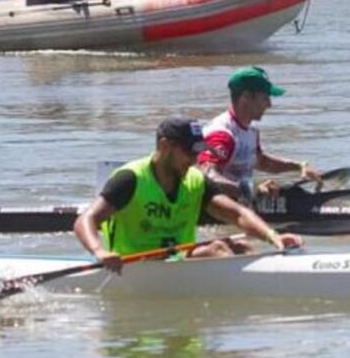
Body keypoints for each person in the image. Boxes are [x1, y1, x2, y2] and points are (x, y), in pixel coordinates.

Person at [74, 117, 301, 273]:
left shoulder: (194, 180)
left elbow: (238, 214)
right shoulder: (130, 179)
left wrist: (273, 237)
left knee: (242, 245)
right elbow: (86, 220)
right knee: (218, 250)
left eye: (198, 153)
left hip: (177, 262)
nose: (194, 160)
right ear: (165, 146)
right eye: (189, 153)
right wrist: (99, 251)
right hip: (134, 267)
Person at [197, 66, 323, 202]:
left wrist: (299, 166)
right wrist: (252, 189)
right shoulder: (222, 134)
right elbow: (206, 176)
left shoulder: (251, 129)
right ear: (246, 97)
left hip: (242, 199)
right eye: (265, 98)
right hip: (216, 206)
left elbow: (262, 161)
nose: (269, 104)